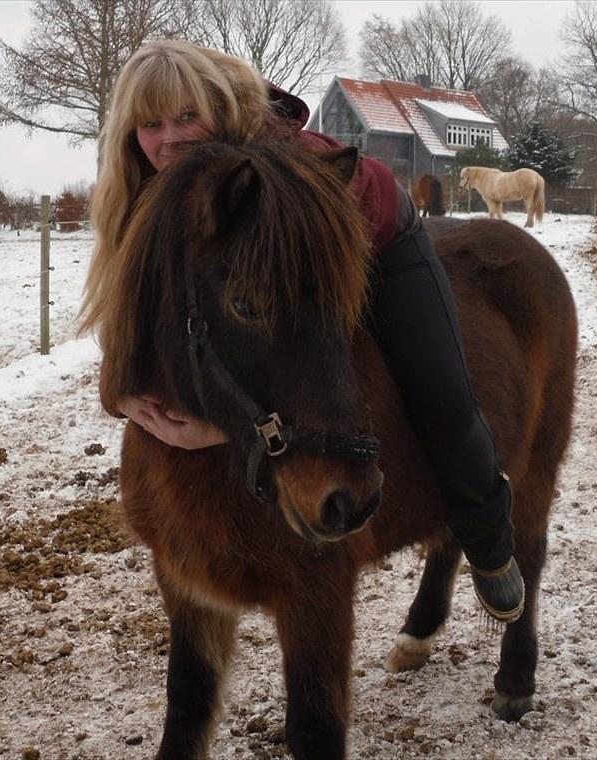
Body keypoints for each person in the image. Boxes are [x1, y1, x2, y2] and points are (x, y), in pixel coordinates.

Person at [80, 39, 524, 624]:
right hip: (294, 262)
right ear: (129, 135)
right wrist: (123, 388)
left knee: (441, 394)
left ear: (217, 107)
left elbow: (296, 330)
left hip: (378, 236)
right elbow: (133, 313)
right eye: (151, 123)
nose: (172, 137)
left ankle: (490, 544)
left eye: (188, 114)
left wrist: (230, 427)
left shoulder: (269, 158)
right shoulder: (140, 186)